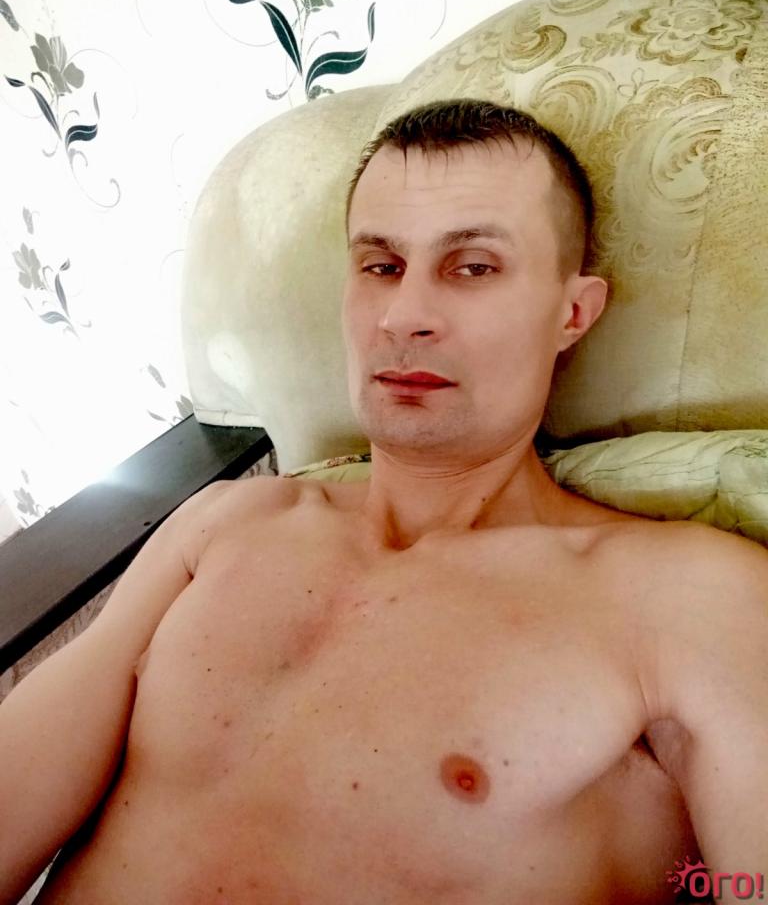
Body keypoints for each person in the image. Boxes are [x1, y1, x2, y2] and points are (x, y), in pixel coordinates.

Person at [1, 99, 766, 905]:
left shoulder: (684, 597)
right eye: (381, 266)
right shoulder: (221, 525)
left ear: (572, 313)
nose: (404, 319)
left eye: (473, 267)